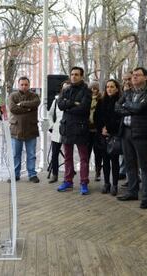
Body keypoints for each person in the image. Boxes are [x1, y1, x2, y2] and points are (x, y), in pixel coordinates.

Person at [115, 67, 147, 209]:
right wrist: (131, 107)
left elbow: (140, 108)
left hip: (142, 133)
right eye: (133, 75)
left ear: (145, 77)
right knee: (129, 163)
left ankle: (146, 197)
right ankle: (132, 191)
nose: (134, 77)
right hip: (126, 131)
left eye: (137, 75)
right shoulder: (128, 92)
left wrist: (128, 106)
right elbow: (117, 107)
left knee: (144, 166)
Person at [57, 66, 92, 194]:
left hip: (81, 128)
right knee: (67, 157)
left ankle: (84, 182)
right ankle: (68, 181)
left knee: (83, 157)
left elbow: (83, 108)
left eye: (76, 74)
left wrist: (68, 106)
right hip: (67, 128)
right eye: (72, 74)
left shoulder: (87, 91)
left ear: (82, 76)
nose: (73, 76)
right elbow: (60, 105)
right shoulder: (66, 90)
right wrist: (73, 103)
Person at [8, 76, 40, 183]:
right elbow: (13, 109)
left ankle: (32, 174)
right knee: (15, 154)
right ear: (18, 85)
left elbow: (36, 103)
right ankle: (15, 175)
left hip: (31, 129)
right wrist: (29, 109)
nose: (24, 86)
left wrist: (21, 104)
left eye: (26, 84)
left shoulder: (34, 95)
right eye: (22, 84)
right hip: (16, 129)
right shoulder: (12, 96)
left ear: (29, 85)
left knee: (31, 154)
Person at [95, 79, 122, 196]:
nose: (109, 89)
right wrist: (102, 129)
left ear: (116, 88)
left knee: (114, 161)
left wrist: (109, 129)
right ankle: (106, 183)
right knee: (105, 160)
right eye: (107, 87)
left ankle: (115, 184)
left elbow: (119, 118)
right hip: (102, 135)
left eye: (112, 87)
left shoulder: (120, 101)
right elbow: (97, 117)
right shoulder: (101, 101)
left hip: (114, 134)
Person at [48, 81, 70, 183]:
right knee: (55, 154)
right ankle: (55, 174)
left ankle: (68, 175)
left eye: (68, 88)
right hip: (57, 130)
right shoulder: (56, 101)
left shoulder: (73, 101)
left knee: (68, 154)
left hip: (69, 131)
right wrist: (52, 125)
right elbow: (50, 114)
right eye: (64, 88)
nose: (66, 90)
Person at [118, 72, 132, 181]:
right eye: (124, 80)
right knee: (125, 154)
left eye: (129, 79)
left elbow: (134, 109)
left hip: (137, 129)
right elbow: (117, 107)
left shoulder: (137, 92)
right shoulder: (123, 92)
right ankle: (125, 173)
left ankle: (134, 177)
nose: (126, 82)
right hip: (124, 127)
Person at [88, 81, 103, 181]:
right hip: (87, 130)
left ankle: (98, 171)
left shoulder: (101, 100)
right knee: (86, 152)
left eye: (96, 88)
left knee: (98, 152)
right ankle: (86, 173)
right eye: (92, 88)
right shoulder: (87, 99)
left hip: (97, 130)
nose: (94, 90)